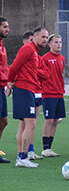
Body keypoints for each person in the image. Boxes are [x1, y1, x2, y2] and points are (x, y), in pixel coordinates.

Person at [7, 27, 49, 168]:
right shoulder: (28, 49)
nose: (45, 40)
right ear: (34, 37)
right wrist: (10, 83)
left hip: (27, 90)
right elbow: (13, 67)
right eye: (42, 37)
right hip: (24, 89)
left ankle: (21, 156)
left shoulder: (35, 52)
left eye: (46, 37)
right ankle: (23, 157)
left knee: (24, 125)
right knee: (31, 124)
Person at [21, 30, 45, 161]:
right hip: (26, 91)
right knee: (26, 124)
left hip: (37, 92)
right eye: (29, 41)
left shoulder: (37, 57)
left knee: (33, 123)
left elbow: (45, 74)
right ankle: (24, 153)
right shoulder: (24, 54)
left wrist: (35, 71)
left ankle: (30, 151)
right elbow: (15, 69)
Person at [41, 34, 66, 157]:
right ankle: (45, 148)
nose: (59, 44)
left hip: (59, 94)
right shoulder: (45, 59)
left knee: (55, 120)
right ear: (50, 44)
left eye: (60, 42)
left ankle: (49, 147)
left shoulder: (62, 58)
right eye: (56, 42)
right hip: (48, 94)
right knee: (49, 120)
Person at [0, 17, 9, 163]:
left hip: (2, 87)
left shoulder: (2, 46)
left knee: (4, 121)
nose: (8, 29)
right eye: (5, 27)